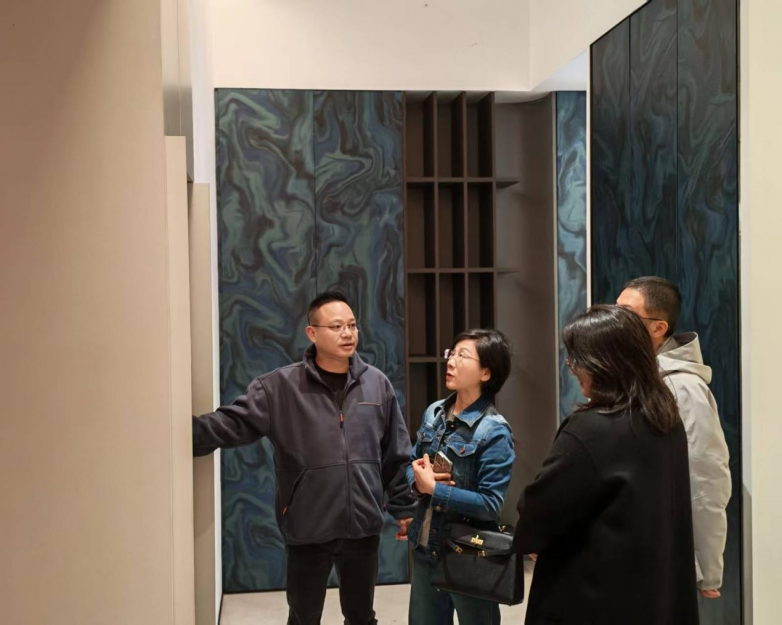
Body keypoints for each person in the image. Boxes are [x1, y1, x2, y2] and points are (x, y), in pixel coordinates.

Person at [192, 291, 415, 625]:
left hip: (362, 527)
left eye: (352, 325)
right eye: (336, 327)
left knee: (361, 616)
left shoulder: (376, 384)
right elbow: (231, 423)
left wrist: (405, 508)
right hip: (308, 525)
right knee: (303, 617)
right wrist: (175, 436)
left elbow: (395, 453)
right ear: (312, 333)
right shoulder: (279, 387)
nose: (347, 334)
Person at [514, 305, 699, 625]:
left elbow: (539, 509)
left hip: (591, 596)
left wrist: (531, 539)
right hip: (652, 593)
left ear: (604, 362)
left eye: (576, 358)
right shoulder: (666, 419)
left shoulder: (591, 429)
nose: (570, 366)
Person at [617, 276, 731, 598]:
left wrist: (706, 568)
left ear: (658, 328)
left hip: (662, 554)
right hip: (629, 546)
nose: (616, 321)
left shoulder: (682, 388)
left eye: (627, 314)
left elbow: (704, 480)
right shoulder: (636, 377)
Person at [406, 329, 515, 625]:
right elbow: (412, 464)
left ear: (486, 373)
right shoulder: (434, 413)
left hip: (469, 552)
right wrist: (417, 483)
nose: (451, 361)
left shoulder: (494, 431)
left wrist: (435, 489)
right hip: (425, 546)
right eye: (451, 353)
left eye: (462, 356)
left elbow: (490, 504)